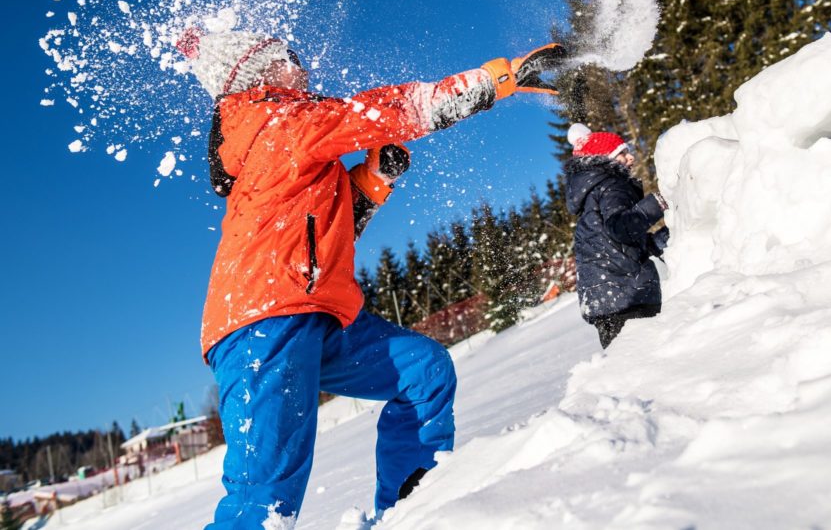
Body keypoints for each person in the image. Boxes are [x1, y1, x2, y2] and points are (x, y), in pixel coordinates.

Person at [176, 26, 563, 528]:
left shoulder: (284, 132)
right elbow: (393, 109)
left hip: (310, 314)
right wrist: (495, 81)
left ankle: (413, 512)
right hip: (263, 322)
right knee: (264, 499)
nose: (301, 64)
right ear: (260, 72)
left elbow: (318, 232)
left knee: (423, 372)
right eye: (287, 57)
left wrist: (373, 181)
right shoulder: (281, 120)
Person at [564, 123, 669, 349]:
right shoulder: (612, 186)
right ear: (606, 160)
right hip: (627, 297)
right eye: (622, 154)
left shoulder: (593, 195)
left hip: (607, 298)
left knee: (628, 370)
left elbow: (617, 245)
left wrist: (657, 241)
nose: (630, 158)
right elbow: (621, 228)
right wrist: (657, 203)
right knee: (647, 368)